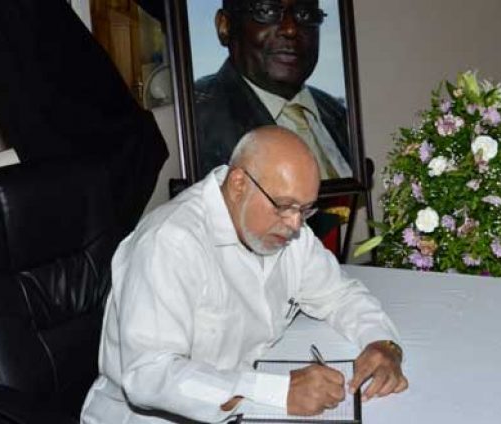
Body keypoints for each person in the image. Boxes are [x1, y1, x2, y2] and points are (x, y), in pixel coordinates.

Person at [81, 126, 407, 423]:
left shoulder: (288, 231)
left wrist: (381, 342)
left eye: (305, 209)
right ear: (238, 184)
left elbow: (338, 294)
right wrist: (279, 392)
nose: (296, 224)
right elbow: (149, 376)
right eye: (284, 205)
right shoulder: (170, 242)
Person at [193, 0, 352, 180]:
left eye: (305, 14)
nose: (290, 29)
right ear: (225, 26)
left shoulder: (337, 114)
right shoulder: (197, 122)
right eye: (267, 11)